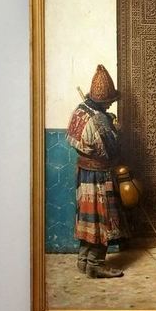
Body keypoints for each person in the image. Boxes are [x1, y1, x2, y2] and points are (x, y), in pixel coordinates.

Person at [66, 64, 127, 278]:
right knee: (102, 221)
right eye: (109, 101)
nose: (110, 104)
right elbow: (110, 150)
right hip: (99, 176)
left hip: (83, 173)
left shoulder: (80, 110)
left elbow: (74, 139)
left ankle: (83, 260)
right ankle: (95, 264)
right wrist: (116, 129)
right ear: (102, 101)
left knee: (88, 219)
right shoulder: (99, 119)